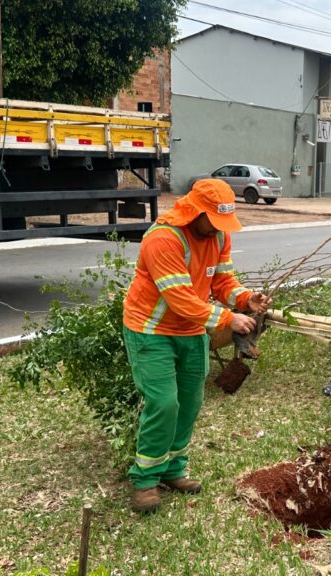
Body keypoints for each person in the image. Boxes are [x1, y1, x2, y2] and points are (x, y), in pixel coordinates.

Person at [122, 179, 272, 512]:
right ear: (196, 211)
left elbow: (222, 282)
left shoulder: (218, 235)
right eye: (214, 221)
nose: (220, 229)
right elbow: (179, 299)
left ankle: (173, 470)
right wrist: (228, 320)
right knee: (163, 402)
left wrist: (246, 298)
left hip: (191, 330)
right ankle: (145, 480)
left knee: (189, 402)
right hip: (151, 331)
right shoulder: (162, 239)